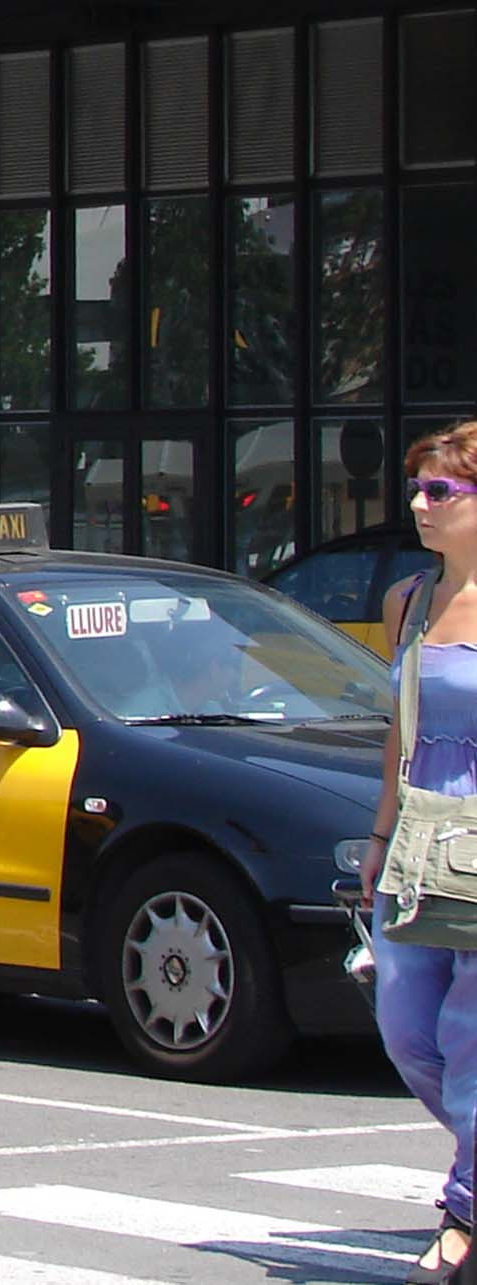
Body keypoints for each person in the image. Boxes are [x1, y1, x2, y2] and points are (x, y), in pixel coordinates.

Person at [367, 420, 477, 1283]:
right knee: (408, 1028)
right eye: (417, 488)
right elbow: (397, 728)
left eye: (440, 490)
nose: (419, 504)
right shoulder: (408, 598)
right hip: (415, 837)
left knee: (471, 1034)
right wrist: (379, 834)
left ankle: (464, 1215)